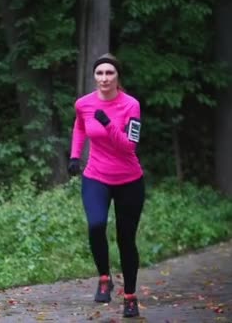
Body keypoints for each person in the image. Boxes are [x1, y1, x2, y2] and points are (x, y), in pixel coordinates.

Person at [68, 53, 144, 318]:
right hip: (96, 176)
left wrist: (108, 123)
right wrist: (75, 156)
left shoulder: (131, 105)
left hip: (129, 180)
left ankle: (130, 296)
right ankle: (104, 277)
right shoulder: (84, 104)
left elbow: (129, 146)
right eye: (99, 73)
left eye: (109, 73)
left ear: (117, 76)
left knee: (126, 239)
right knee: (96, 224)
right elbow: (79, 127)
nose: (104, 78)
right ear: (94, 76)